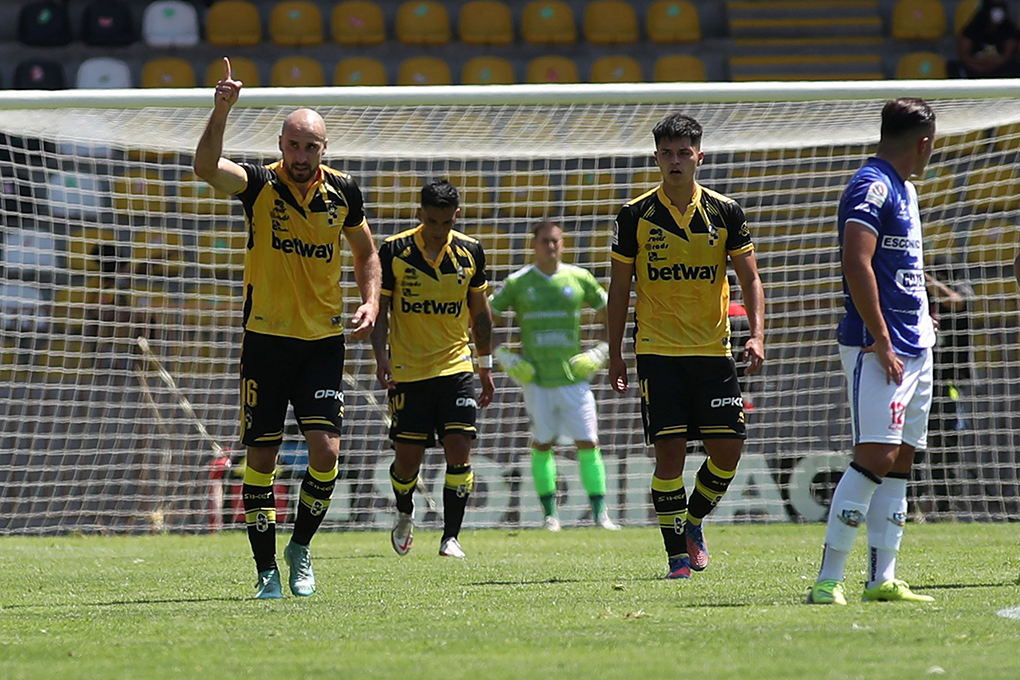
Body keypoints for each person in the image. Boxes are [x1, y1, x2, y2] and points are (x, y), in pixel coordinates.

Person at [194, 58, 382, 599]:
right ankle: (265, 571)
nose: (301, 156)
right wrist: (221, 110)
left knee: (325, 451)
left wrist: (370, 301)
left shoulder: (343, 193)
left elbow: (366, 251)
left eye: (311, 147)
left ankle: (299, 548)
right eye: (294, 145)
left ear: (325, 150)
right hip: (266, 340)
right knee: (261, 460)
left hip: (322, 342)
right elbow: (206, 167)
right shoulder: (257, 185)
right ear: (281, 145)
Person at [607, 113, 765, 580]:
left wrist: (756, 334)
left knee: (728, 451)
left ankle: (693, 520)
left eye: (683, 152)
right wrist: (615, 351)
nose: (675, 161)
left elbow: (750, 278)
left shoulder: (725, 211)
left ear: (700, 156)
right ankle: (677, 555)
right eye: (666, 153)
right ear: (656, 158)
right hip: (658, 353)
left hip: (713, 351)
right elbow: (619, 289)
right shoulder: (634, 215)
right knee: (670, 455)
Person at [807, 98, 938, 606]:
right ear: (923, 142)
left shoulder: (906, 189)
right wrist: (882, 338)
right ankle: (826, 580)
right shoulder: (872, 184)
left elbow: (903, 267)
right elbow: (856, 262)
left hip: (915, 344)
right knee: (876, 454)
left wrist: (922, 315)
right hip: (878, 346)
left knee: (902, 458)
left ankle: (882, 577)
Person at [371, 179, 495, 559]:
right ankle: (405, 510)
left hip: (455, 367)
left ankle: (451, 537)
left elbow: (481, 315)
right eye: (431, 221)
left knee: (459, 448)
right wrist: (381, 358)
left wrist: (485, 366)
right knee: (407, 462)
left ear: (455, 216)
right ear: (419, 214)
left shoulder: (470, 252)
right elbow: (380, 313)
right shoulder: (393, 251)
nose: (439, 230)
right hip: (408, 371)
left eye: (445, 222)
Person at [489, 220, 619, 532]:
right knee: (543, 444)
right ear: (533, 245)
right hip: (536, 381)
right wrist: (504, 356)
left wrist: (600, 351)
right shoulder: (519, 282)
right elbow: (483, 318)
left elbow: (611, 313)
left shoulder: (579, 278)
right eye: (546, 241)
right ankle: (550, 516)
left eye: (556, 241)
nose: (552, 246)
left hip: (574, 379)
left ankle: (601, 515)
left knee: (588, 443)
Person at [952, 0, 1020, 78]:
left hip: (1001, 68)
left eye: (1000, 8)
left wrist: (995, 63)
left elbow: (1007, 56)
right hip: (973, 67)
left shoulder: (1009, 29)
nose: (997, 12)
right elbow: (964, 55)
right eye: (994, 8)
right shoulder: (972, 29)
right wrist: (979, 64)